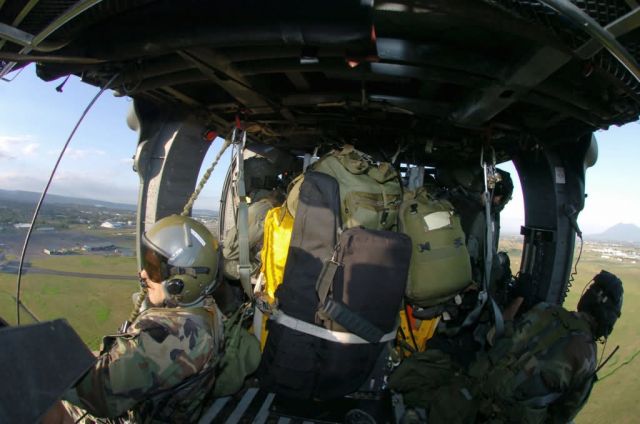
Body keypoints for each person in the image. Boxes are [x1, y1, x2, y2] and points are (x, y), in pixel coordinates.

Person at [46, 215, 224, 423]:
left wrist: (42, 365)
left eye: (153, 269)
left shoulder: (165, 336)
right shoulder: (207, 309)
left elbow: (97, 395)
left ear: (180, 282)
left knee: (48, 410)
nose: (143, 274)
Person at [390, 270, 623, 424]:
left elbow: (496, 336)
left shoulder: (544, 311)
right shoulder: (587, 360)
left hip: (467, 395)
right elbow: (561, 416)